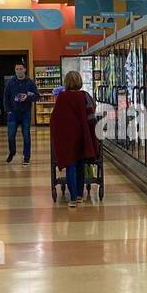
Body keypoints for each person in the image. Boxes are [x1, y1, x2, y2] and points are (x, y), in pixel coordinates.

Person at [51, 70, 97, 209]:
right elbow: (91, 115)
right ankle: (80, 196)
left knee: (70, 167)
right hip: (82, 136)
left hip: (68, 138)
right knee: (80, 166)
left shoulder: (62, 97)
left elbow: (55, 119)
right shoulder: (84, 96)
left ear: (66, 82)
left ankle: (72, 198)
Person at [1, 62, 39, 165]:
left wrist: (28, 97)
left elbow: (37, 96)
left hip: (25, 113)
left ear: (25, 70)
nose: (18, 71)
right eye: (17, 69)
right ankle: (12, 152)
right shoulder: (11, 83)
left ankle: (26, 156)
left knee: (26, 135)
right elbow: (6, 97)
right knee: (10, 135)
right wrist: (8, 110)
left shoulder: (30, 83)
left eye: (20, 69)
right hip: (12, 113)